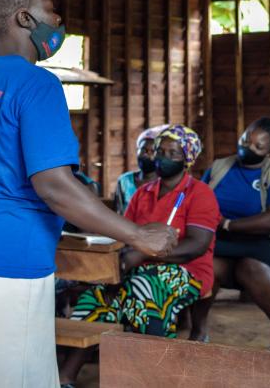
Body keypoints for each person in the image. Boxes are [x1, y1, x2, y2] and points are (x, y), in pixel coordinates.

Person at [0, 0, 177, 388]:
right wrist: (137, 234)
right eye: (51, 9)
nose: (58, 20)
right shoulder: (37, 85)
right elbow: (54, 186)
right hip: (12, 263)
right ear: (24, 18)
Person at [59, 124, 220, 387]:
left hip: (189, 273)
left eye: (173, 153)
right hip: (138, 269)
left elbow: (196, 246)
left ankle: (154, 375)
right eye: (159, 150)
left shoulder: (200, 194)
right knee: (98, 296)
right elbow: (126, 235)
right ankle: (66, 376)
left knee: (145, 289)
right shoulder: (142, 194)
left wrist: (143, 253)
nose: (162, 157)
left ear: (188, 159)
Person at [190, 117, 270, 341]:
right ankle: (198, 330)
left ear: (268, 150)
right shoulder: (219, 167)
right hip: (223, 241)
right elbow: (198, 199)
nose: (249, 147)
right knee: (210, 265)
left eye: (258, 146)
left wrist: (229, 225)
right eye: (246, 140)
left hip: (265, 242)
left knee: (251, 267)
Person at [114, 124, 168, 214]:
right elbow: (118, 213)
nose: (146, 155)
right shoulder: (125, 180)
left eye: (152, 151)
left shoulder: (165, 183)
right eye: (143, 150)